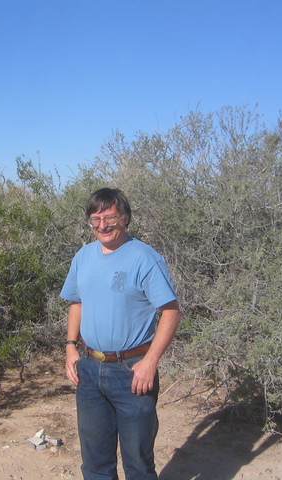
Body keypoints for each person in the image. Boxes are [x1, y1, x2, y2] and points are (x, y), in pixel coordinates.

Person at [60, 187, 181, 480]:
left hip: (132, 371)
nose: (102, 225)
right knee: (95, 461)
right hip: (89, 369)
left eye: (110, 217)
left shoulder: (144, 257)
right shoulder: (83, 256)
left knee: (138, 462)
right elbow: (77, 302)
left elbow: (171, 311)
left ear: (125, 218)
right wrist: (70, 346)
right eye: (95, 219)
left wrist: (150, 363)